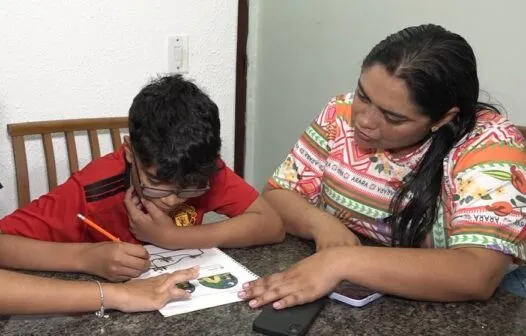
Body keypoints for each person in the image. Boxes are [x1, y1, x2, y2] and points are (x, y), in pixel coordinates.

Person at [238, 24, 526, 309]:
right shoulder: (339, 114)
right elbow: (277, 194)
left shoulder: (490, 147)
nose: (364, 120)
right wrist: (323, 225)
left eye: (393, 118)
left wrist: (341, 261)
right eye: (363, 95)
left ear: (442, 119)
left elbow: (477, 274)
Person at [0, 74, 284, 287]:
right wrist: (85, 258)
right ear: (128, 153)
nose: (173, 199)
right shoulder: (94, 187)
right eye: (156, 181)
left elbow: (271, 225)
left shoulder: (201, 170)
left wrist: (173, 238)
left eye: (188, 185)